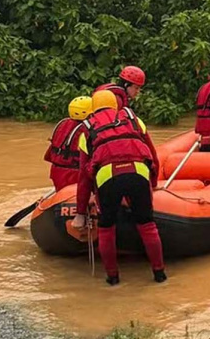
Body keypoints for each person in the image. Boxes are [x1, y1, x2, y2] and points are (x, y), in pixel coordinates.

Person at [71, 89, 166, 285]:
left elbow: (83, 176)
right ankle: (159, 275)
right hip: (139, 172)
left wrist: (80, 212)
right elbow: (152, 155)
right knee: (147, 225)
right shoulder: (133, 119)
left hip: (107, 177)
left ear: (93, 108)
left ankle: (113, 278)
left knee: (106, 227)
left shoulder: (87, 128)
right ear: (116, 104)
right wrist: (153, 182)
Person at [43, 96, 93, 191]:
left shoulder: (63, 124)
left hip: (56, 172)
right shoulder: (86, 129)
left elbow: (50, 155)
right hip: (74, 175)